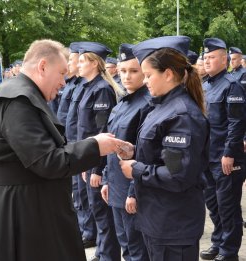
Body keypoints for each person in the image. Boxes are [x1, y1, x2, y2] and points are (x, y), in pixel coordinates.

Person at [0, 39, 130, 261]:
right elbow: (48, 161)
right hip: (20, 209)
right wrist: (95, 146)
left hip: (23, 203)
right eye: (61, 73)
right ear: (42, 67)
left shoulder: (17, 94)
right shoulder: (18, 101)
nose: (63, 83)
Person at [119, 35, 210, 261]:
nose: (145, 81)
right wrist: (133, 151)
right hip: (157, 218)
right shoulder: (161, 106)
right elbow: (162, 154)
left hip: (173, 225)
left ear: (168, 74)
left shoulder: (180, 115)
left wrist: (136, 169)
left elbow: (177, 175)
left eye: (149, 75)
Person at [101, 43, 151, 261]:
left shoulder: (147, 104)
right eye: (122, 71)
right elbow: (113, 145)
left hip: (132, 187)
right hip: (116, 185)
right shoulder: (122, 103)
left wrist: (133, 192)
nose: (126, 77)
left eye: (133, 71)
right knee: (126, 245)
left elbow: (144, 152)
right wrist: (106, 179)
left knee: (137, 249)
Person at [77, 41, 124, 261]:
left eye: (81, 60)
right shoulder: (89, 87)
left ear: (94, 63)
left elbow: (102, 132)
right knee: (96, 211)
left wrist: (97, 168)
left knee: (102, 213)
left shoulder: (102, 90)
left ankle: (108, 255)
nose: (77, 64)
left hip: (96, 161)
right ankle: (103, 252)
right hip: (87, 158)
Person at [200, 38, 246, 261]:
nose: (207, 61)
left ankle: (229, 252)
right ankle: (218, 243)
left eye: (212, 57)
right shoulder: (205, 85)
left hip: (226, 158)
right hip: (208, 158)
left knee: (228, 207)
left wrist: (229, 153)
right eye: (205, 57)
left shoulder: (232, 85)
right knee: (214, 205)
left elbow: (236, 123)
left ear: (224, 59)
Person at [63, 42, 97, 248]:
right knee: (80, 194)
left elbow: (97, 127)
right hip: (74, 145)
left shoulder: (98, 88)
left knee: (87, 196)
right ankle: (85, 229)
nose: (70, 64)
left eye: (74, 60)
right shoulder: (78, 86)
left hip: (86, 149)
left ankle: (90, 233)